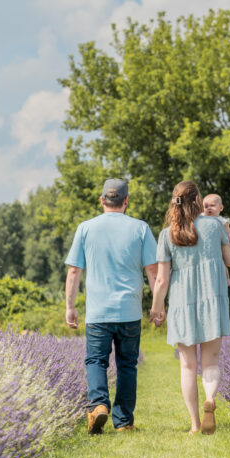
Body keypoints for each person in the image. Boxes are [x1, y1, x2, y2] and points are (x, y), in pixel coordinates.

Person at [65, 178, 159, 435]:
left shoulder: (86, 228)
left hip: (97, 311)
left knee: (96, 360)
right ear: (126, 201)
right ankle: (124, 422)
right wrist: (158, 305)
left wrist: (70, 307)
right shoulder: (140, 228)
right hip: (129, 310)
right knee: (127, 364)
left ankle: (98, 406)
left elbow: (74, 271)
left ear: (102, 200)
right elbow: (153, 269)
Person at [149, 180, 230, 435]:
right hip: (213, 300)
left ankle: (195, 424)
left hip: (181, 304)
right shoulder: (214, 225)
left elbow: (162, 279)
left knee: (187, 366)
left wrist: (156, 308)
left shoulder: (166, 234)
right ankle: (210, 398)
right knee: (211, 360)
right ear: (198, 200)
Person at [202, 192, 230, 286]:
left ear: (220, 208)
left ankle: (227, 279)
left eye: (212, 206)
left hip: (221, 245)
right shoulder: (202, 218)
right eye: (206, 206)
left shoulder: (222, 221)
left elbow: (229, 232)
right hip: (209, 248)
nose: (209, 208)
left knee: (223, 263)